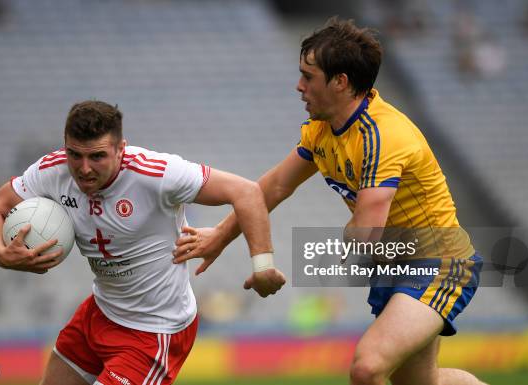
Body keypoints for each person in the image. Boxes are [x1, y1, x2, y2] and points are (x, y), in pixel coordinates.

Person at [172, 18, 487, 385]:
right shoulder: (323, 128)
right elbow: (272, 187)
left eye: (309, 76)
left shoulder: (383, 136)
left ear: (340, 82)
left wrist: (340, 245)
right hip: (395, 265)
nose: (299, 86)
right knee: (421, 383)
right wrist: (220, 238)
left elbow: (366, 235)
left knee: (367, 369)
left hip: (438, 261)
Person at [0, 100, 286, 385]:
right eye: (75, 155)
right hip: (99, 313)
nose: (84, 168)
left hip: (154, 331)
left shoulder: (156, 173)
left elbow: (246, 192)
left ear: (120, 149)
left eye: (97, 156)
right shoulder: (51, 171)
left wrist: (263, 265)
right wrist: (1, 253)